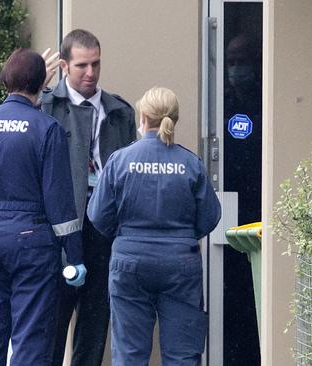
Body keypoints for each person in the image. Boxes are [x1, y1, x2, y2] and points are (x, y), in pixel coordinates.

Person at [0, 48, 86, 366]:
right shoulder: (47, 129)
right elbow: (60, 203)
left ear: (5, 80)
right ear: (42, 84)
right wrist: (76, 257)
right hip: (31, 247)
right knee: (30, 344)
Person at [87, 87, 221, 365]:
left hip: (130, 262)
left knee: (129, 355)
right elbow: (209, 216)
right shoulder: (190, 164)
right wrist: (181, 237)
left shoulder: (120, 161)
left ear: (144, 116)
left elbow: (98, 214)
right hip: (180, 264)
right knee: (183, 355)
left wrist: (125, 236)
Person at [40, 29, 136, 366]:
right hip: (60, 227)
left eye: (96, 64)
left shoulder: (120, 112)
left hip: (104, 228)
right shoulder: (46, 105)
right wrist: (37, 86)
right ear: (64, 66)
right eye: (82, 65)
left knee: (95, 321)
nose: (91, 73)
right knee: (52, 321)